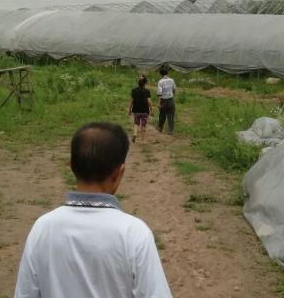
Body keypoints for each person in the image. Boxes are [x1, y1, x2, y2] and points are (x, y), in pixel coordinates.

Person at [14, 122, 171, 298]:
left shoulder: (42, 228)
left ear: (71, 166)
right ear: (118, 173)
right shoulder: (134, 234)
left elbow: (25, 293)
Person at [128, 74, 153, 144]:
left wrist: (129, 110)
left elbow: (131, 101)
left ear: (138, 83)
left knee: (136, 123)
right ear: (145, 83)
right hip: (145, 111)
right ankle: (143, 141)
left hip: (136, 110)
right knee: (143, 126)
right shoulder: (147, 91)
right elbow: (149, 102)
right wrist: (151, 110)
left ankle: (135, 134)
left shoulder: (134, 90)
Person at [156, 67, 177, 134]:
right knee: (171, 116)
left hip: (163, 101)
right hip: (171, 100)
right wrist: (172, 95)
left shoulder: (160, 82)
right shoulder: (172, 80)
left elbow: (159, 93)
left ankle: (160, 128)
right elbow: (174, 90)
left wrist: (159, 103)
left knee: (162, 115)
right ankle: (171, 130)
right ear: (167, 73)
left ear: (161, 74)